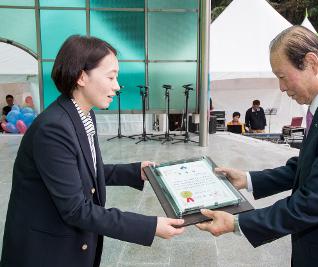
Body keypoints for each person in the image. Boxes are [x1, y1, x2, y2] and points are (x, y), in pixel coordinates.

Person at [196, 26, 318, 266]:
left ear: (311, 62)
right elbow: (307, 166)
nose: (281, 88)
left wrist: (238, 222)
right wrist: (248, 179)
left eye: (282, 76)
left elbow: (313, 202)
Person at [0, 35, 185, 267]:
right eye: (111, 77)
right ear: (81, 76)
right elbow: (76, 209)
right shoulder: (53, 128)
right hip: (45, 251)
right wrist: (149, 226)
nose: (117, 86)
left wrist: (136, 171)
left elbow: (85, 171)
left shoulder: (83, 113)